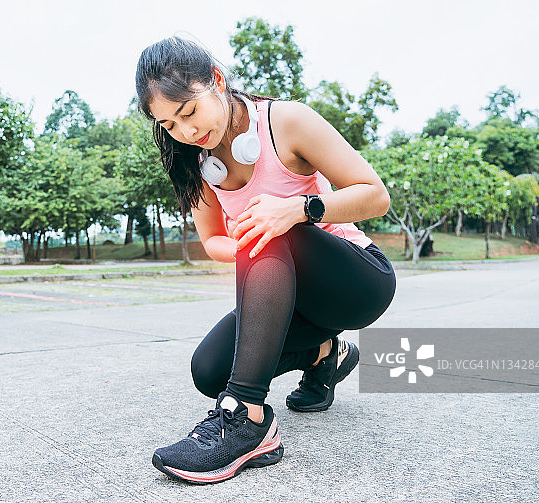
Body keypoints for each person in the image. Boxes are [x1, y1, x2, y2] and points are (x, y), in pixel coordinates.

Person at [135, 36, 396, 484]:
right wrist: (242, 245)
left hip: (356, 280)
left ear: (216, 81)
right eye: (169, 124)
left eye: (190, 112)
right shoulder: (193, 161)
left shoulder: (286, 120)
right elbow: (214, 240)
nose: (186, 132)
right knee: (208, 370)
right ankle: (324, 354)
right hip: (289, 297)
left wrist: (299, 209)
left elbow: (375, 196)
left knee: (270, 225)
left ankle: (248, 419)